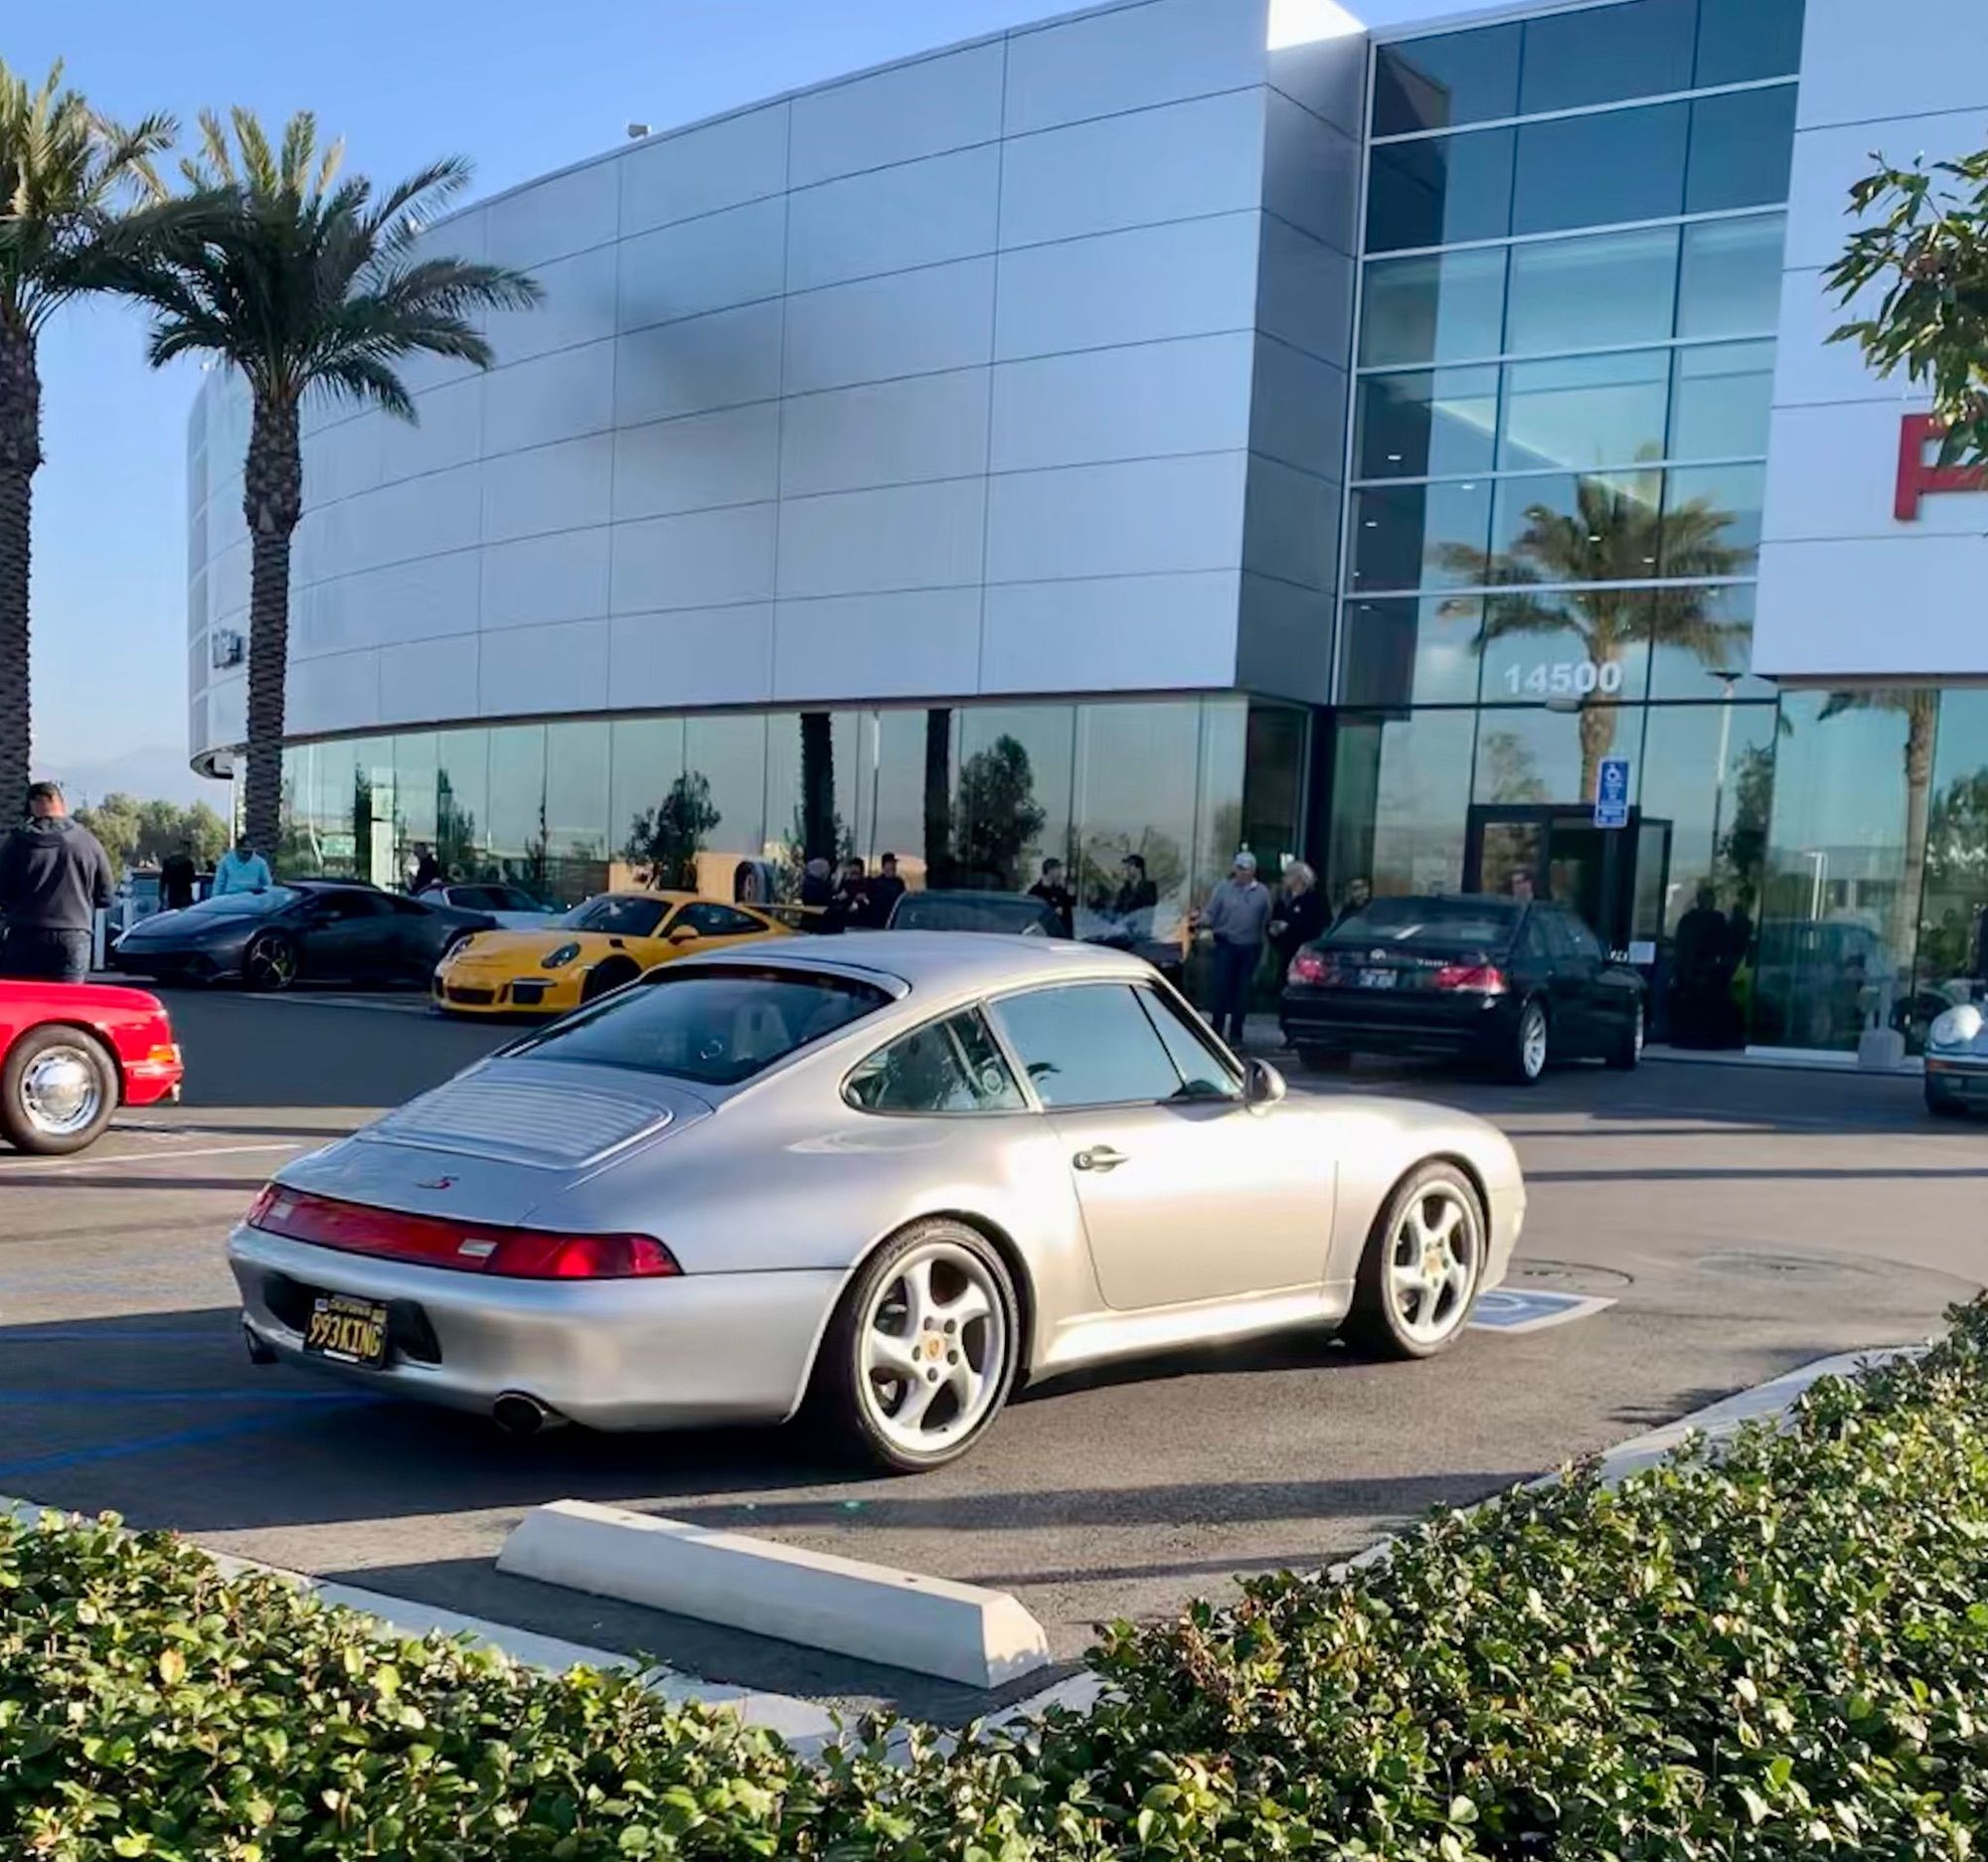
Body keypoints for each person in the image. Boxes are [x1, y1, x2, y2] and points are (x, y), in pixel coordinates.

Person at [0, 781, 114, 983]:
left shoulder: (17, 842)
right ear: (60, 802)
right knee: (66, 999)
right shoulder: (88, 842)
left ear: (33, 804)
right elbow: (105, 897)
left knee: (24, 998)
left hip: (25, 934)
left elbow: (3, 892)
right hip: (74, 934)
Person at [1197, 851, 1272, 1049]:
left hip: (1249, 948)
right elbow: (1211, 913)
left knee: (1242, 992)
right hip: (1226, 944)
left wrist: (1265, 949)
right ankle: (1216, 1031)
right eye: (1239, 868)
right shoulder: (1223, 889)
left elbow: (1266, 922)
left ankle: (1236, 1034)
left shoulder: (1262, 893)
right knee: (1221, 988)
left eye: (1246, 869)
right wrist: (1200, 921)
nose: (1242, 873)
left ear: (1253, 871)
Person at [1268, 860, 1330, 974]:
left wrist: (1289, 927)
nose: (1283, 879)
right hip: (1285, 952)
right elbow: (1273, 919)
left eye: (1287, 875)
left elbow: (1318, 925)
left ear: (1299, 878)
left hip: (1306, 952)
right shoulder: (1283, 900)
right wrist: (1273, 930)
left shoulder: (1315, 900)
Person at [1111, 853, 1160, 938]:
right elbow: (1116, 911)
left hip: (1141, 936)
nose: (1126, 870)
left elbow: (1148, 907)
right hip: (1123, 935)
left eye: (1129, 866)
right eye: (1126, 867)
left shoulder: (1149, 887)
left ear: (1138, 869)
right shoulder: (1124, 891)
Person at [1028, 857, 1075, 935]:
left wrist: (1069, 894)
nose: (1060, 873)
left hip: (1063, 934)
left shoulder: (1060, 890)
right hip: (1045, 934)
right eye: (1058, 869)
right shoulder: (1036, 891)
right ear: (1050, 871)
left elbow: (1068, 909)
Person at [863, 852, 906, 928]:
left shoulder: (899, 882)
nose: (893, 866)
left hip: (894, 920)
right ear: (884, 866)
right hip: (878, 921)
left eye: (894, 864)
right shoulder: (875, 883)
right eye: (890, 863)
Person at [828, 856, 869, 933]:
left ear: (861, 872)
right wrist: (837, 898)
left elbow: (868, 903)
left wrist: (862, 900)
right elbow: (832, 900)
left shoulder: (866, 886)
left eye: (856, 873)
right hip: (843, 922)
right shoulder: (844, 884)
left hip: (860, 925)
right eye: (852, 872)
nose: (853, 875)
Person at [160, 838, 199, 913]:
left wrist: (161, 896)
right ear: (187, 849)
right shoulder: (188, 863)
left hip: (172, 894)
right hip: (185, 895)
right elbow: (192, 879)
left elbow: (163, 880)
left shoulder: (169, 861)